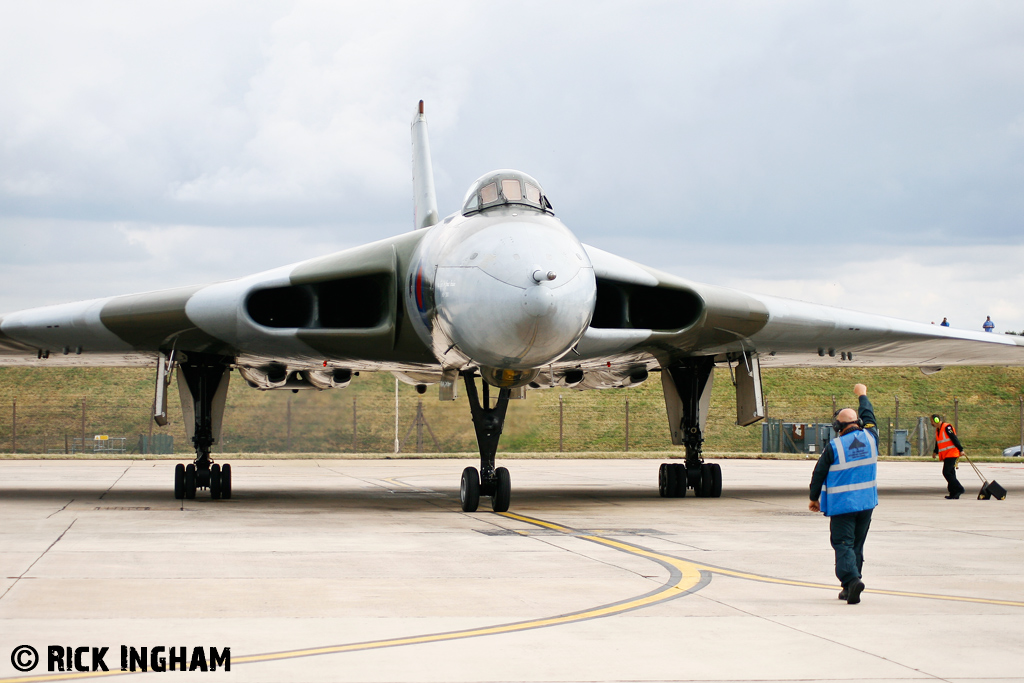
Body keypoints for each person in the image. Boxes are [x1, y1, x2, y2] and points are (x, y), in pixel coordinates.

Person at [808, 383, 878, 605]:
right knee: (856, 545)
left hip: (843, 505)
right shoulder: (871, 437)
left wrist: (813, 498)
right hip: (866, 504)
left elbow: (818, 473)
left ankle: (851, 579)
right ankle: (849, 588)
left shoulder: (834, 447)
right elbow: (870, 415)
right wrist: (862, 395)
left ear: (838, 426)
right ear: (857, 422)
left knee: (843, 543)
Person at [932, 414, 965, 499]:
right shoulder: (938, 430)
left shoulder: (947, 427)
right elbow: (938, 441)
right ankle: (954, 493)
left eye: (932, 421)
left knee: (946, 472)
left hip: (952, 453)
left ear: (936, 420)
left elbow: (954, 438)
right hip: (946, 454)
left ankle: (959, 488)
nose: (931, 423)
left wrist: (961, 450)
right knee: (951, 473)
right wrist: (935, 451)